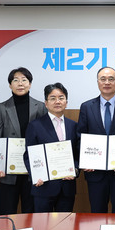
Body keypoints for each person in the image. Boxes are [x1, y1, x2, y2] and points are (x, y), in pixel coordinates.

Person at [76, 67, 115, 213]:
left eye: (111, 79)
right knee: (97, 213)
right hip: (95, 171)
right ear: (97, 82)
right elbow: (80, 137)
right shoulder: (86, 107)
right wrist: (85, 161)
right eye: (103, 79)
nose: (107, 82)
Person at [0, 67, 48, 215]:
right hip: (8, 172)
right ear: (10, 85)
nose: (20, 83)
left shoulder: (41, 107)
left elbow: (44, 139)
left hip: (33, 170)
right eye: (16, 80)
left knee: (30, 213)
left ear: (30, 84)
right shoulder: (1, 108)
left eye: (24, 80)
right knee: (7, 212)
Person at [24, 83, 78, 213]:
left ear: (66, 102)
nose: (57, 101)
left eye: (61, 98)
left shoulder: (73, 126)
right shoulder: (35, 126)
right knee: (43, 224)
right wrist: (35, 175)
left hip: (67, 187)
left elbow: (77, 153)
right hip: (43, 187)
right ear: (46, 103)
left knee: (66, 223)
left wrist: (75, 170)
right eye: (53, 98)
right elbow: (28, 156)